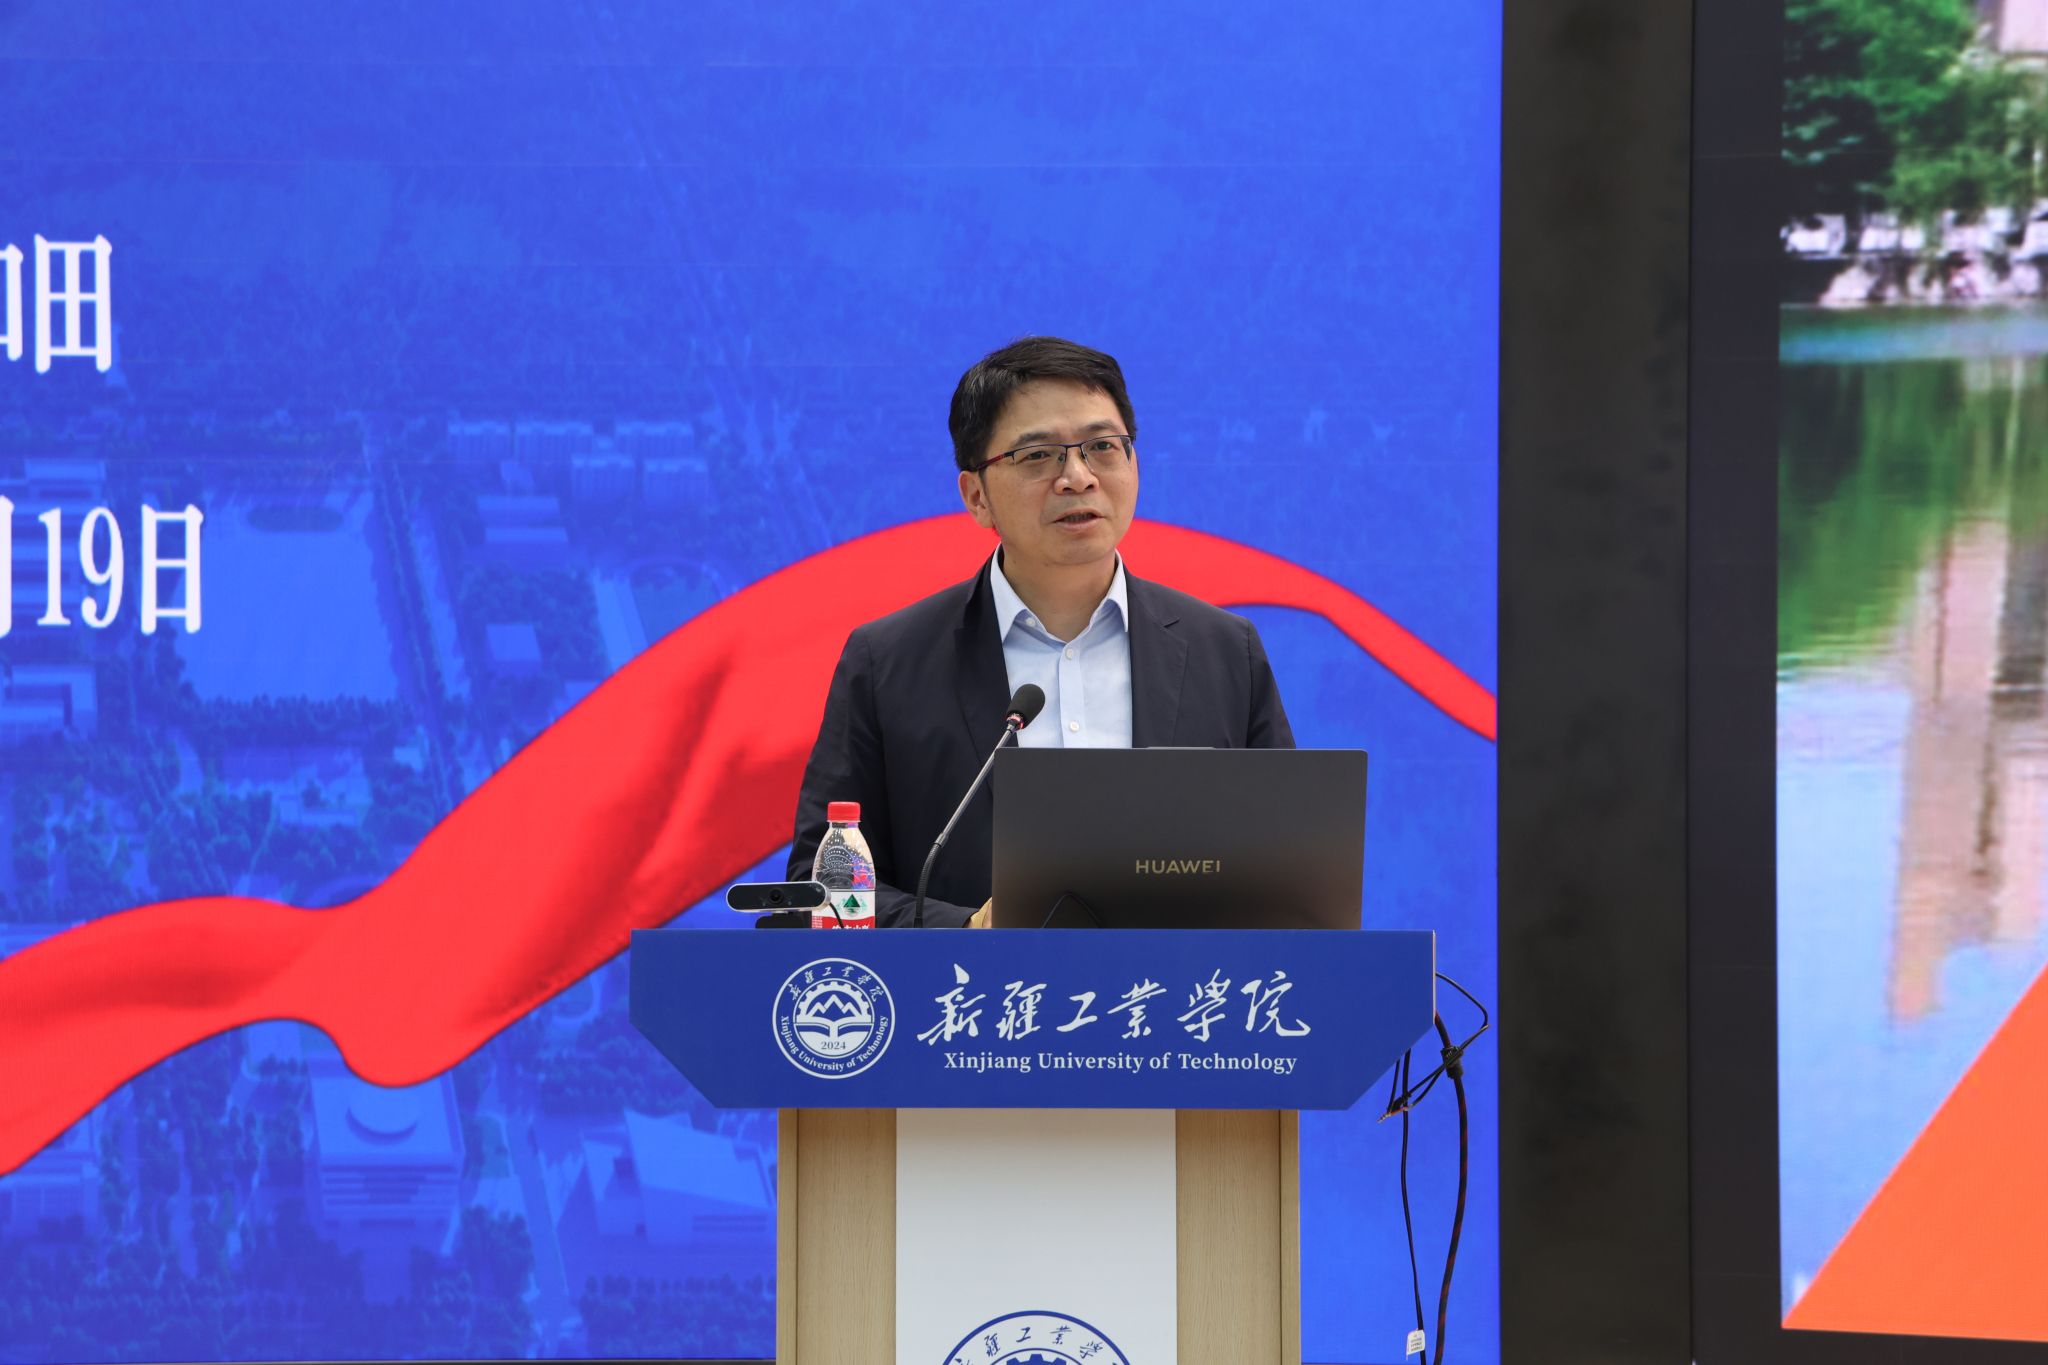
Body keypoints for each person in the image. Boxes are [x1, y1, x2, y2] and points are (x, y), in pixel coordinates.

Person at [787, 336, 1294, 926]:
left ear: (1134, 463)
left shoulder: (1225, 653)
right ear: (977, 496)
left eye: (1102, 447)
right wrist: (966, 930)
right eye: (1038, 456)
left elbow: (1290, 876)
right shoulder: (889, 663)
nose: (1077, 477)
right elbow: (814, 891)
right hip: (969, 984)